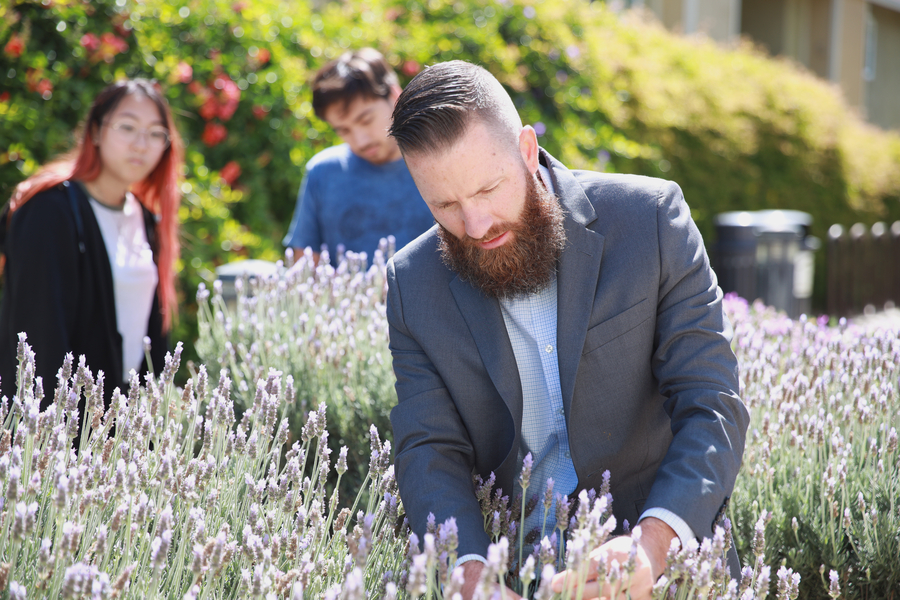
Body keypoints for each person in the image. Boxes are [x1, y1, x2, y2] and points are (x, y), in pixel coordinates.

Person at [385, 60, 750, 599]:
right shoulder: (412, 284)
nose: (476, 224)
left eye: (488, 189)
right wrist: (468, 574)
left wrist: (654, 544)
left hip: (662, 560)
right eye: (445, 205)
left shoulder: (650, 220)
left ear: (527, 150)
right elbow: (428, 449)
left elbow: (711, 404)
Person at [0, 78, 181, 411]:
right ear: (96, 131)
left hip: (124, 428)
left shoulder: (144, 218)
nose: (142, 144)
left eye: (156, 133)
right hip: (63, 428)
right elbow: (37, 335)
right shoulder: (49, 210)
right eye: (128, 127)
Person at [282, 48, 434, 266]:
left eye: (366, 120)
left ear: (394, 95)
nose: (360, 140)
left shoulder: (438, 163)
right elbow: (305, 268)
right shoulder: (323, 172)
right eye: (343, 130)